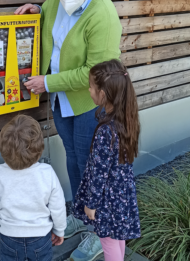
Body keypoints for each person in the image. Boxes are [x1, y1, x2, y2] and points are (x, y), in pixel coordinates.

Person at [15, 0, 123, 259]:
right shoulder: (56, 1)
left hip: (90, 103)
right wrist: (38, 11)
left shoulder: (102, 12)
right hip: (62, 101)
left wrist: (48, 82)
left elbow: (95, 72)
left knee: (92, 167)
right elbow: (55, 29)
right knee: (74, 159)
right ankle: (82, 214)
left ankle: (100, 233)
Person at [72, 59, 142, 261]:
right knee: (117, 237)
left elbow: (99, 173)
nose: (89, 90)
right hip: (121, 192)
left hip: (107, 199)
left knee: (108, 241)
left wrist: (91, 204)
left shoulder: (106, 131)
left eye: (92, 87)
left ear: (104, 93)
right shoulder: (126, 119)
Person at [0, 115, 67, 261]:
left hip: (9, 237)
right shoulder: (47, 172)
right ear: (39, 147)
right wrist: (59, 230)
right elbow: (58, 206)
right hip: (40, 237)